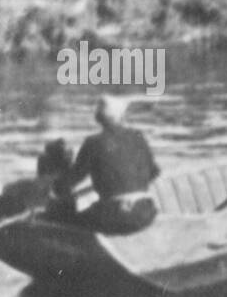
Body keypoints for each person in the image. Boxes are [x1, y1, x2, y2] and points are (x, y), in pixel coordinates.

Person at [54, 96, 160, 234]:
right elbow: (154, 173)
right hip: (145, 212)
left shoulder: (93, 142)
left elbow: (73, 179)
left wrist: (55, 189)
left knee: (64, 217)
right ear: (122, 117)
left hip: (114, 216)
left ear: (98, 119)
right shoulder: (138, 136)